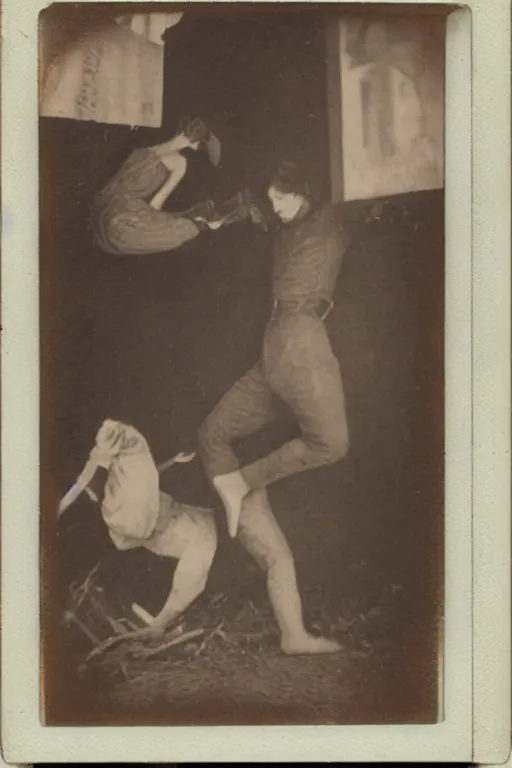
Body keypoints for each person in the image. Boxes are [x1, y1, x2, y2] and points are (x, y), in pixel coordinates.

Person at [58, 419, 340, 652]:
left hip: (180, 505)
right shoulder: (120, 474)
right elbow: (89, 484)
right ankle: (160, 623)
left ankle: (160, 622)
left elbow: (148, 477)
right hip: (166, 511)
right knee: (230, 551)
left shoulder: (135, 463)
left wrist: (173, 462)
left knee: (208, 541)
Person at [198, 160, 350, 539]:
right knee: (332, 444)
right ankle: (240, 485)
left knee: (211, 436)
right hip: (297, 339)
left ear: (303, 194)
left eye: (281, 199)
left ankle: (238, 495)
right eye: (273, 200)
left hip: (276, 345)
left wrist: (235, 214)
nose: (276, 207)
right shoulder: (319, 227)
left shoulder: (310, 229)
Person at [91, 116, 251, 256]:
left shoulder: (175, 221)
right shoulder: (180, 224)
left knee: (169, 166)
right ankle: (185, 141)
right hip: (116, 221)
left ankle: (185, 141)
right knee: (171, 165)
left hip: (116, 220)